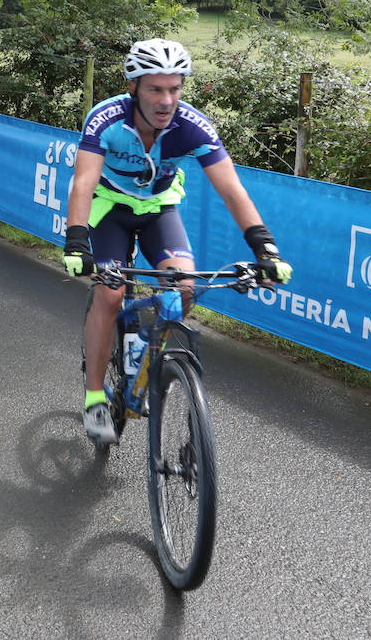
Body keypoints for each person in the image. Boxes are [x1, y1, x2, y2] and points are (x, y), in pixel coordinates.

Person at [62, 38, 294, 445]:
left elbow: (232, 190)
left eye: (174, 88)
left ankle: (148, 362)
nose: (166, 100)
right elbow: (83, 181)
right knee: (111, 295)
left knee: (183, 289)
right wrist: (77, 241)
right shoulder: (106, 118)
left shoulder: (192, 126)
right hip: (109, 208)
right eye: (155, 89)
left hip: (158, 209)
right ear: (133, 87)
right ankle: (96, 396)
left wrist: (265, 247)